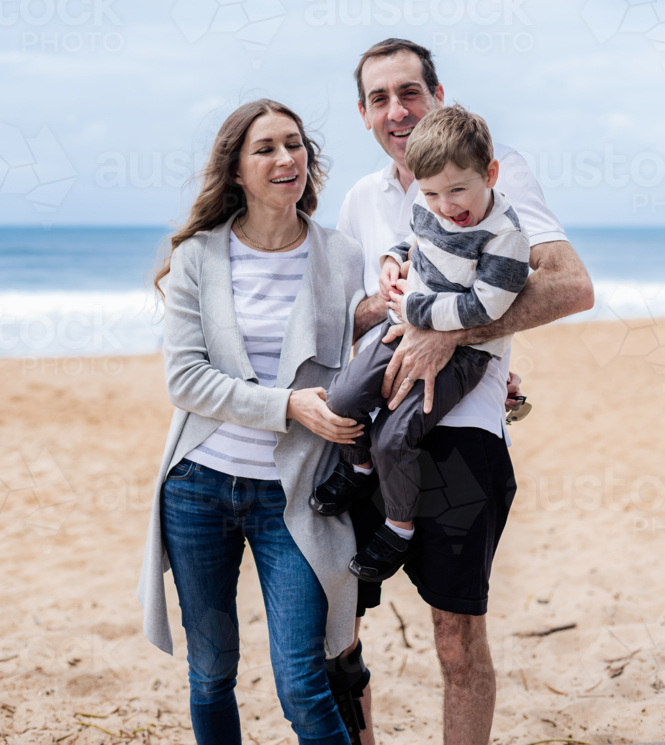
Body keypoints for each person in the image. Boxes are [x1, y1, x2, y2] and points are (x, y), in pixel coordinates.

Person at [337, 39, 594, 745]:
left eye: (410, 92)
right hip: (372, 429)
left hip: (462, 436)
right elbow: (344, 315)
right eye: (380, 98)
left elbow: (569, 285)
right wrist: (383, 300)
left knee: (455, 640)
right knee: (336, 626)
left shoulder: (493, 173)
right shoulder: (361, 200)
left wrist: (451, 333)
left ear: (437, 94)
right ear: (362, 114)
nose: (397, 110)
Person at [137, 98, 371, 745]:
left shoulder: (343, 256)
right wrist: (287, 407)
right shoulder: (198, 258)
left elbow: (362, 357)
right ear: (236, 170)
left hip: (293, 496)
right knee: (211, 672)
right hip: (198, 489)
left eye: (293, 145)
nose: (284, 159)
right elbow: (185, 382)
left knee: (302, 682)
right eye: (264, 148)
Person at [311, 106, 530, 585]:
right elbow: (414, 239)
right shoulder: (426, 204)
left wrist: (415, 311)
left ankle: (398, 527)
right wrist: (393, 259)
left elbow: (487, 308)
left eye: (457, 191)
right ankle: (360, 467)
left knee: (395, 436)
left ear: (490, 173)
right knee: (344, 400)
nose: (445, 206)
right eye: (431, 193)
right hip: (407, 321)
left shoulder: (506, 236)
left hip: (463, 351)